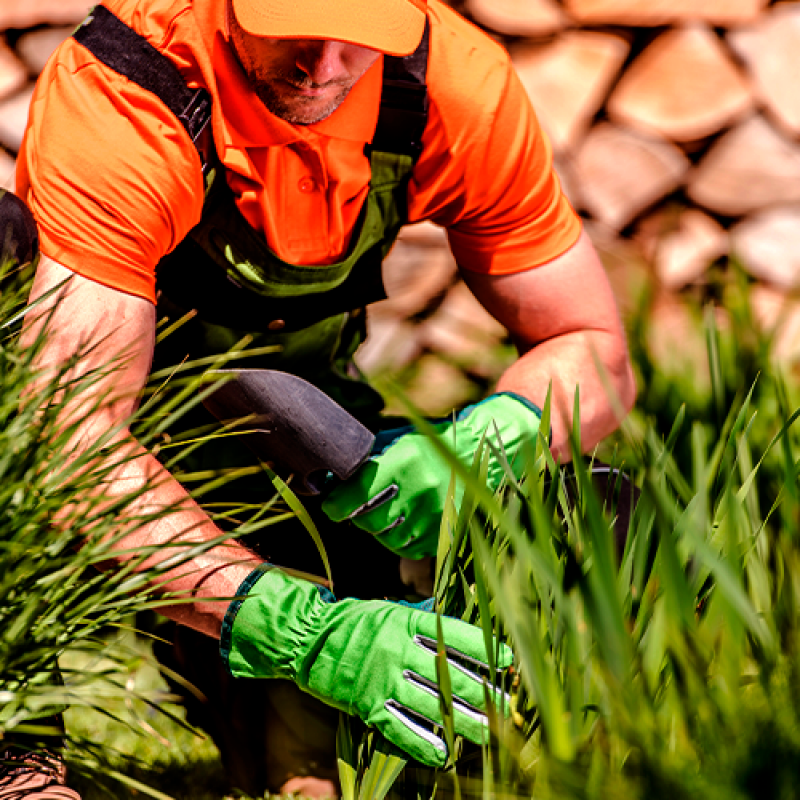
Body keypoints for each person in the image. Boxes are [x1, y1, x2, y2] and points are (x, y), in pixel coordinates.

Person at [10, 0, 636, 794]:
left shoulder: (455, 86)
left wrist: (489, 440)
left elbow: (596, 353)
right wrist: (290, 628)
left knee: (313, 775)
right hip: (96, 459)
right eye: (294, 24)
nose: (325, 63)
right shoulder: (128, 95)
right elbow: (66, 439)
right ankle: (20, 764)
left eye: (363, 36)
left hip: (286, 451)